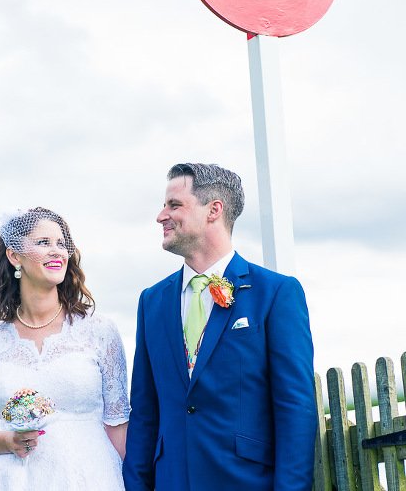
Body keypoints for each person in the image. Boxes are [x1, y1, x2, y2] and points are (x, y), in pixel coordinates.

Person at [123, 163, 317, 491]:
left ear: (214, 210)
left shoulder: (276, 293)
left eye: (174, 205)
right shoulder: (151, 302)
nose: (161, 216)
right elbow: (145, 411)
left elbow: (295, 407)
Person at [0, 207, 130, 490]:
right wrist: (8, 441)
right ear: (15, 256)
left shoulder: (99, 331)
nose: (57, 252)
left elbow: (118, 424)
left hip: (90, 477)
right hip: (14, 480)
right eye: (43, 243)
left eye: (61, 244)